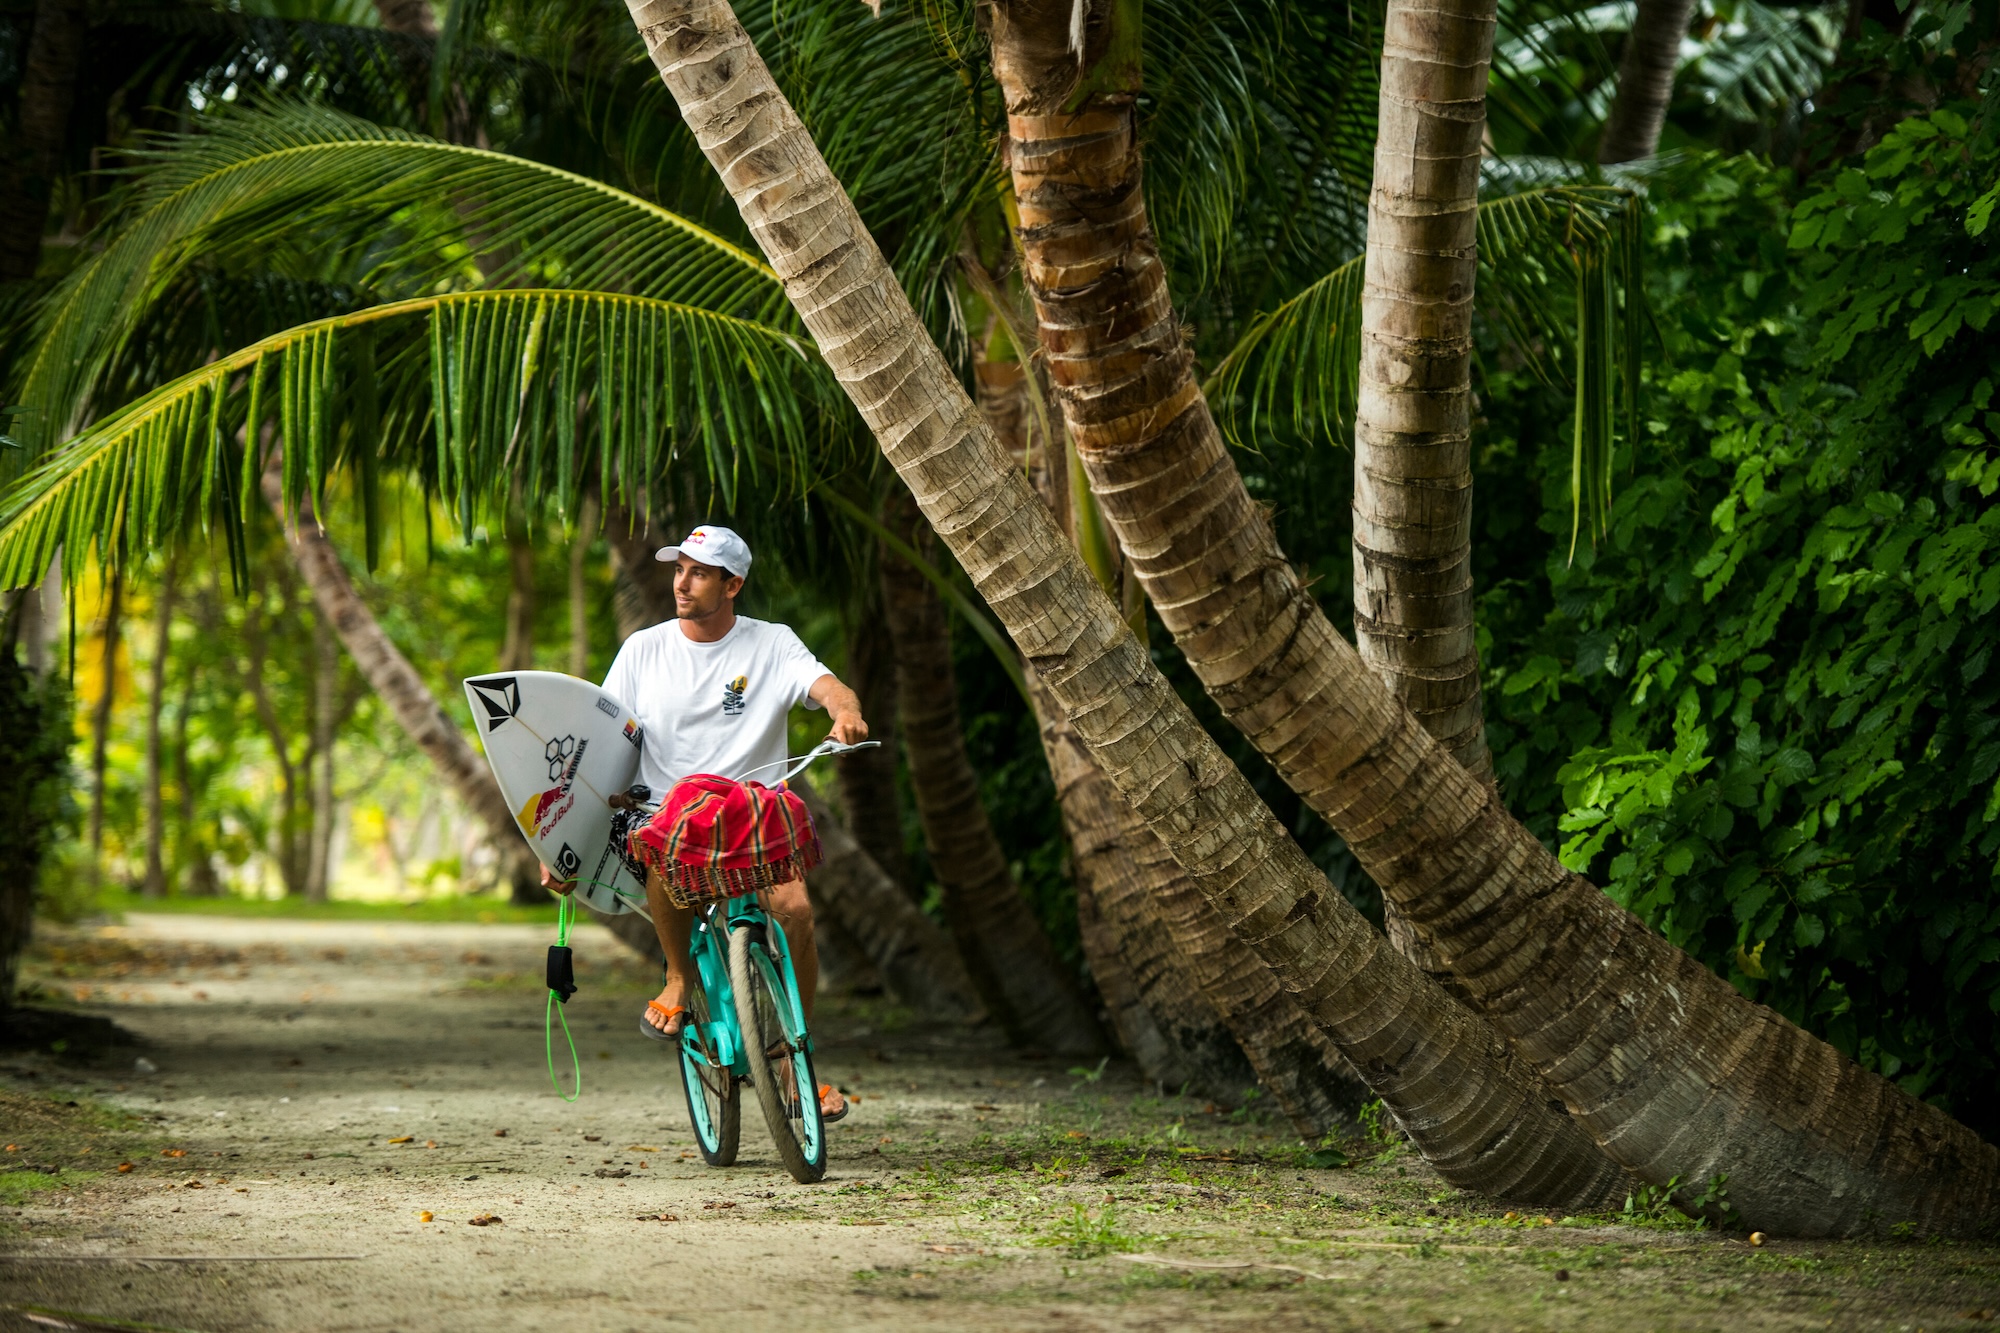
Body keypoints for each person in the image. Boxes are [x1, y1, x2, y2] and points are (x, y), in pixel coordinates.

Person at [540, 524, 866, 1122]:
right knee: (662, 849)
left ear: (732, 584)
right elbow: (601, 738)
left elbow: (827, 687)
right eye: (679, 570)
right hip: (669, 811)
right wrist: (562, 843)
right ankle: (678, 978)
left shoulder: (772, 644)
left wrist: (846, 712)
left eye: (699, 573)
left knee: (795, 911)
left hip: (751, 808)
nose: (682, 584)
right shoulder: (644, 649)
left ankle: (792, 1059)